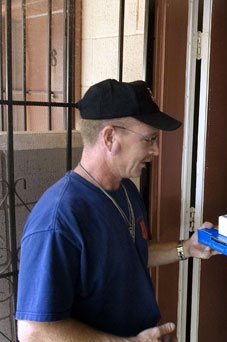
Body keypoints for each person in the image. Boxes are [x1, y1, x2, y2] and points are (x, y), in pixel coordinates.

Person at [16, 79, 216, 342]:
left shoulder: (125, 190)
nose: (155, 150)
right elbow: (33, 332)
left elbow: (129, 255)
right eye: (150, 139)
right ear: (110, 137)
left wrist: (186, 248)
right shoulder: (59, 218)